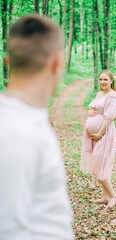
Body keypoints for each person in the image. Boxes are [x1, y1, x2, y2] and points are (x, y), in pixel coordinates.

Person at [0, 15, 74, 240]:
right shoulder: (17, 135)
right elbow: (8, 229)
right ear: (57, 62)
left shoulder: (25, 120)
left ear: (8, 61)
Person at [81, 69, 116, 209]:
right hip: (97, 135)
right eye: (100, 79)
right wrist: (89, 111)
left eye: (105, 79)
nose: (102, 82)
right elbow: (93, 108)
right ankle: (104, 196)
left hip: (105, 134)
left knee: (97, 167)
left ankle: (113, 195)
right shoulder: (99, 94)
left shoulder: (113, 96)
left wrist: (99, 134)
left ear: (111, 81)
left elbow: (109, 119)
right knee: (99, 165)